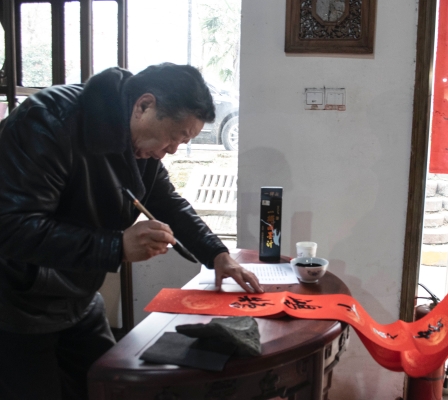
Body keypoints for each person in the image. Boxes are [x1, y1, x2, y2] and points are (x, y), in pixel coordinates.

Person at [0, 63, 263, 400]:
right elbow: (12, 227)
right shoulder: (48, 121)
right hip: (18, 301)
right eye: (175, 136)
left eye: (183, 141)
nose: (173, 150)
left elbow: (167, 201)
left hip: (77, 296)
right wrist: (116, 247)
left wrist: (216, 254)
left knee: (111, 387)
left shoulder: (137, 141)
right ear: (144, 105)